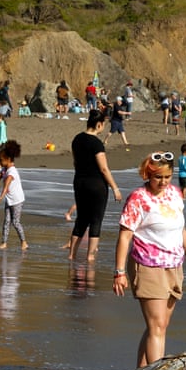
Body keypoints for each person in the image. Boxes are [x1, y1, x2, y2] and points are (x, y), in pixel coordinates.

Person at [112, 152, 186, 368]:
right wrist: (119, 272)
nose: (163, 182)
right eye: (158, 177)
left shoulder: (174, 193)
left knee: (159, 326)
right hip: (147, 266)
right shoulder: (138, 198)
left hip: (174, 265)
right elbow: (125, 236)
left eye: (167, 177)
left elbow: (181, 228)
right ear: (148, 174)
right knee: (157, 326)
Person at [69, 110, 122, 261]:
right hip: (96, 184)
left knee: (81, 219)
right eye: (103, 124)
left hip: (79, 182)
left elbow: (75, 162)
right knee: (96, 220)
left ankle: (71, 255)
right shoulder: (97, 143)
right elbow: (104, 169)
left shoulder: (77, 139)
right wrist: (115, 188)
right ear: (99, 124)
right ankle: (90, 257)